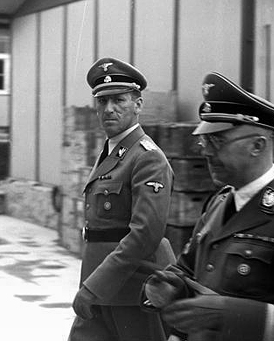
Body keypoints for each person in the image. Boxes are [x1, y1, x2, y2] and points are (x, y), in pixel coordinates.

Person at [142, 72, 274, 341]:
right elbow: (187, 269)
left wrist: (231, 314)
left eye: (217, 141)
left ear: (257, 146)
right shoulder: (219, 203)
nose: (206, 152)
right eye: (205, 140)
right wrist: (168, 287)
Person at [68, 57, 176, 341]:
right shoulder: (112, 152)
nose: (108, 109)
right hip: (99, 285)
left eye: (118, 100)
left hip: (133, 290)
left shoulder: (147, 157)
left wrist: (95, 287)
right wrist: (92, 285)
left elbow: (145, 235)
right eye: (102, 102)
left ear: (138, 104)